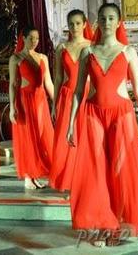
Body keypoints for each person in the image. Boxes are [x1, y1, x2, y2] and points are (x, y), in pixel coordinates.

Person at [67, 3, 138, 246]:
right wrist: (71, 124)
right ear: (97, 21)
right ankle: (102, 225)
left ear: (119, 21)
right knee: (97, 171)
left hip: (121, 115)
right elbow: (79, 91)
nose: (107, 22)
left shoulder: (129, 52)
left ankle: (117, 225)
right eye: (102, 18)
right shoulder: (86, 52)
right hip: (93, 114)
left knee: (119, 170)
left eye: (111, 18)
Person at [50, 10, 92, 192]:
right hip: (66, 96)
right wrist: (53, 104)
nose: (74, 27)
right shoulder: (61, 48)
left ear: (84, 24)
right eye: (71, 24)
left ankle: (85, 177)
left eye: (77, 23)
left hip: (87, 95)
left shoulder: (92, 46)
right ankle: (68, 178)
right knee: (66, 137)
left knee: (85, 136)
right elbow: (58, 78)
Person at [8, 27, 54, 189]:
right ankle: (29, 175)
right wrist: (13, 107)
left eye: (37, 39)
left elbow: (48, 81)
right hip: (25, 101)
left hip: (40, 101)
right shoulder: (16, 58)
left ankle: (35, 174)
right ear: (24, 38)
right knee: (28, 137)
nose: (34, 42)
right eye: (31, 38)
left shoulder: (43, 57)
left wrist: (56, 101)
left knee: (41, 136)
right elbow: (13, 84)